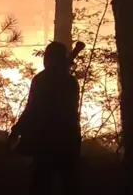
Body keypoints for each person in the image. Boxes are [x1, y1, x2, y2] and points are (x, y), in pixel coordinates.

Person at [9, 41, 82, 195]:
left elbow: (32, 109)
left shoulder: (42, 80)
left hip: (45, 141)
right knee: (67, 184)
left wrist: (17, 131)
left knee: (40, 184)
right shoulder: (70, 82)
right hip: (68, 140)